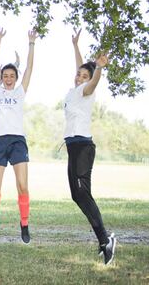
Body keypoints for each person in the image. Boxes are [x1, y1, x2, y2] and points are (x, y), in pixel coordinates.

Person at [64, 29, 116, 265]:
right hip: (73, 147)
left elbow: (92, 80)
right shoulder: (75, 89)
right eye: (78, 75)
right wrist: (75, 45)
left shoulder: (86, 90)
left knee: (82, 192)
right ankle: (103, 238)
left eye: (83, 76)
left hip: (83, 146)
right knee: (77, 195)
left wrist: (98, 68)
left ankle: (106, 240)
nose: (79, 77)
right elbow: (81, 67)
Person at [0, 27, 37, 244]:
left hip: (17, 140)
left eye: (11, 76)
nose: (8, 78)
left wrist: (31, 43)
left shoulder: (20, 91)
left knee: (22, 186)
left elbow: (30, 69)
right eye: (4, 75)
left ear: (15, 78)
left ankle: (24, 224)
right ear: (1, 78)